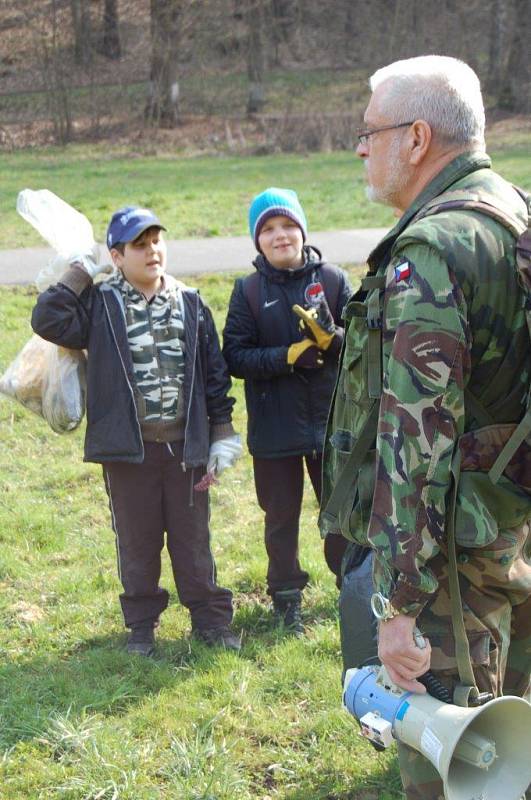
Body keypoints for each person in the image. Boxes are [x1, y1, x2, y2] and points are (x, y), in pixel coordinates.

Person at [320, 56, 531, 799]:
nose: (358, 148)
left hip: (450, 568)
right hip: (508, 534)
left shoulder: (433, 250)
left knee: (455, 765)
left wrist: (398, 607)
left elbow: (414, 448)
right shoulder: (516, 212)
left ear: (415, 138)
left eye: (367, 131)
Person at [32, 206, 242, 657]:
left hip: (185, 451)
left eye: (156, 241)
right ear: (116, 256)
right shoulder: (101, 304)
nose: (152, 251)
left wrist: (221, 434)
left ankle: (209, 621)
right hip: (128, 452)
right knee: (138, 543)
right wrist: (81, 271)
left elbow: (214, 375)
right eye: (139, 245)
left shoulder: (191, 302)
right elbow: (48, 319)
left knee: (193, 542)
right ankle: (142, 629)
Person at [222, 187, 351, 634]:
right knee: (280, 517)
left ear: (302, 231)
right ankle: (287, 597)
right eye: (269, 229)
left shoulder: (333, 281)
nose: (280, 236)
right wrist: (286, 356)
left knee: (340, 514)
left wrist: (331, 341)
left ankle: (350, 587)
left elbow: (365, 349)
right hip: (274, 428)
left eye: (288, 226)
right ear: (257, 241)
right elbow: (235, 356)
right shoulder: (249, 291)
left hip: (331, 426)